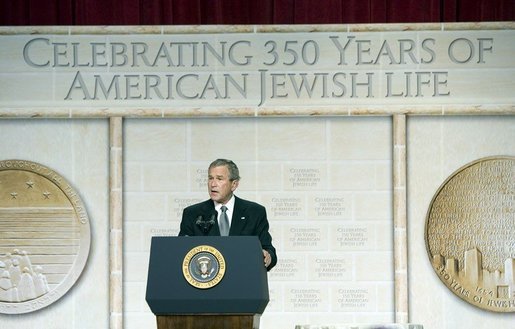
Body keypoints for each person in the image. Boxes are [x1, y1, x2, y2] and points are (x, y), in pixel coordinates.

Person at [179, 159, 277, 271]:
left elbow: (269, 250)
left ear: (234, 184)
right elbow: (181, 252)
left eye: (219, 179)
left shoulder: (254, 212)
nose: (213, 184)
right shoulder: (192, 214)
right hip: (206, 281)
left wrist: (268, 256)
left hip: (242, 279)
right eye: (210, 178)